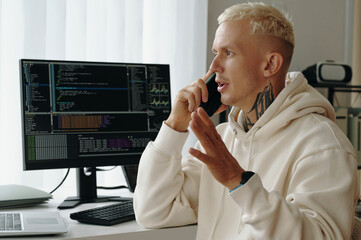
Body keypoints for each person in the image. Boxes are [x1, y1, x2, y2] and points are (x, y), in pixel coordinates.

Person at [133, 2, 360, 239]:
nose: (213, 66)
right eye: (215, 53)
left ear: (270, 64)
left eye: (228, 53)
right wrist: (174, 126)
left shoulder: (323, 146)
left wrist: (238, 182)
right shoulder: (221, 140)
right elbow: (154, 212)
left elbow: (321, 236)